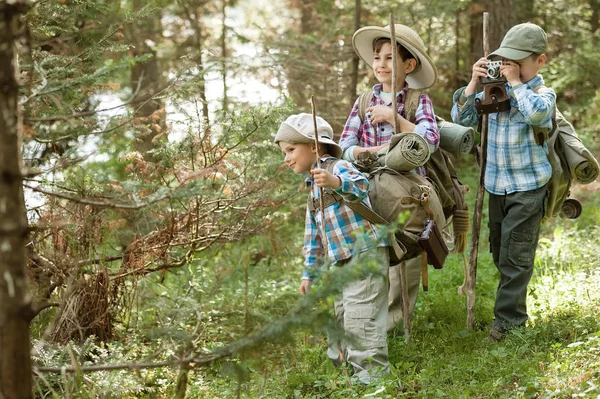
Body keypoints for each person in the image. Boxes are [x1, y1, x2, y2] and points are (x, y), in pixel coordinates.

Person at [451, 22, 555, 341]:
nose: (510, 67)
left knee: (516, 254)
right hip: (497, 185)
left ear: (540, 60)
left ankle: (509, 322)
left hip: (528, 187)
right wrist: (473, 84)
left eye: (517, 61)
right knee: (500, 250)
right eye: (506, 60)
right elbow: (463, 122)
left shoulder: (540, 93)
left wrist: (515, 84)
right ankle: (510, 310)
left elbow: (538, 115)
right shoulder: (491, 91)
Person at [274, 113, 390, 384]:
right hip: (340, 262)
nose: (286, 158)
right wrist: (308, 274)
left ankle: (371, 380)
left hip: (365, 254)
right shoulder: (312, 188)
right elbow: (313, 236)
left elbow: (361, 186)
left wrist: (336, 183)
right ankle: (347, 374)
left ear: (314, 146)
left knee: (361, 318)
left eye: (291, 150)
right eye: (284, 153)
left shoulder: (337, 168)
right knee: (341, 316)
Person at [339, 23, 440, 332]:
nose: (381, 65)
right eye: (377, 58)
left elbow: (431, 138)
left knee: (406, 251)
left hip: (406, 189)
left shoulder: (416, 100)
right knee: (372, 250)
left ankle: (396, 323)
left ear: (409, 65)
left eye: (389, 58)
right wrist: (366, 154)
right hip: (369, 187)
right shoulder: (363, 101)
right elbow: (345, 145)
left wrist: (395, 119)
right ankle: (366, 318)